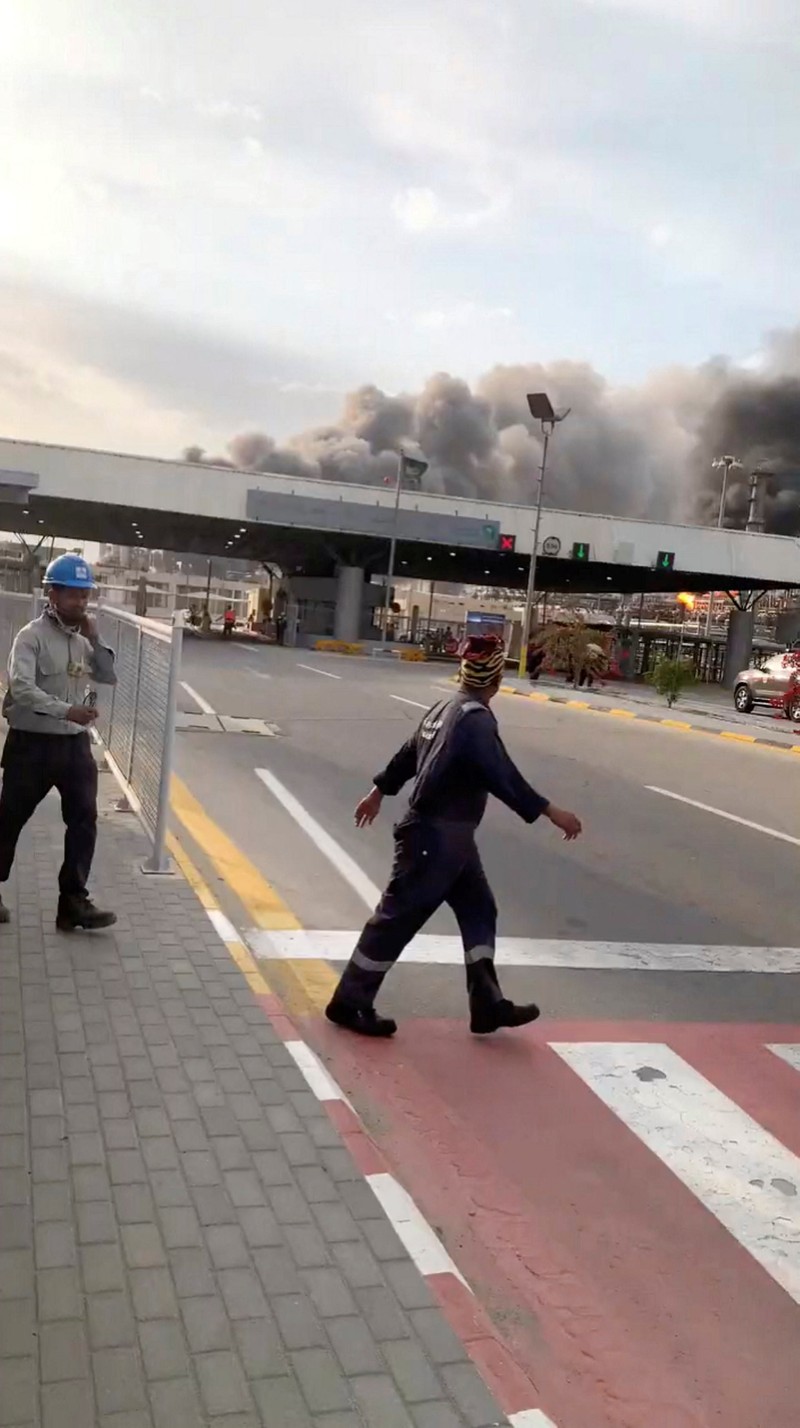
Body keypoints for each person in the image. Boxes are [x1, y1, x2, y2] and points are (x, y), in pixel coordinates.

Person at [325, 633, 582, 1038]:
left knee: (480, 909)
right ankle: (349, 1002)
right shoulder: (475, 720)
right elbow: (503, 775)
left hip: (452, 839)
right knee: (395, 920)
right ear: (496, 681)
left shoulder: (445, 708)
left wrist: (378, 791)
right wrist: (552, 812)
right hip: (434, 837)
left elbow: (407, 754)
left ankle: (486, 1004)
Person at [0, 555, 117, 931]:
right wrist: (67, 710)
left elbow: (107, 675)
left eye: (85, 596)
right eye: (73, 596)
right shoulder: (30, 638)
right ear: (52, 594)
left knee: (84, 820)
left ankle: (73, 902)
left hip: (73, 747)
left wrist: (96, 637)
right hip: (31, 746)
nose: (81, 603)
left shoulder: (83, 640)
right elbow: (21, 689)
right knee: (9, 821)